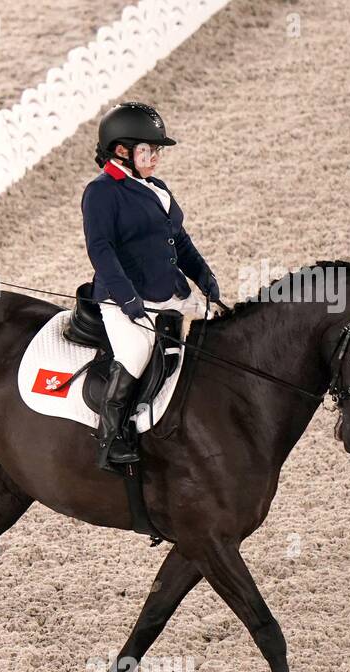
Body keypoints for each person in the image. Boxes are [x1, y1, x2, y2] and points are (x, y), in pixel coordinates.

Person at [81, 102, 220, 472]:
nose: (156, 157)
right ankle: (111, 439)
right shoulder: (101, 192)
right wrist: (126, 297)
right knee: (136, 352)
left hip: (172, 291)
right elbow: (101, 249)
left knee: (217, 333)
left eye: (157, 150)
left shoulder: (155, 188)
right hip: (124, 297)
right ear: (122, 151)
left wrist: (204, 277)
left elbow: (180, 240)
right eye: (149, 150)